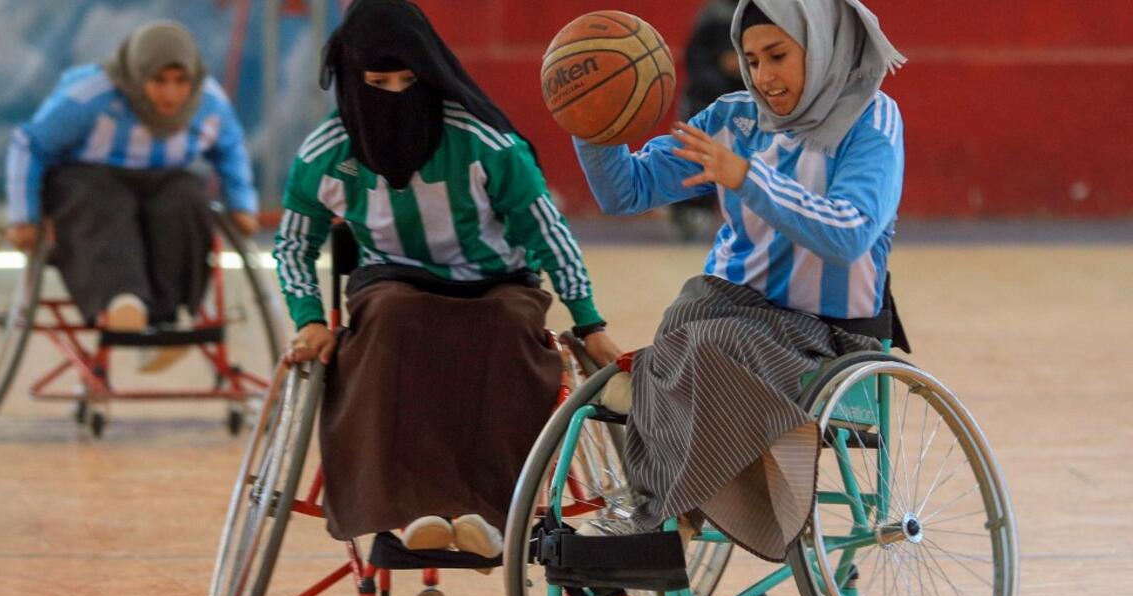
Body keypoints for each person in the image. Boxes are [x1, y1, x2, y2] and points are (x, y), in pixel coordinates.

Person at [276, 0, 622, 559]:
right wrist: (309, 319)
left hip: (497, 281)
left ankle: (496, 514)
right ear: (351, 81)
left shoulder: (486, 143)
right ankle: (409, 514)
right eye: (377, 83)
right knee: (393, 316)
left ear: (429, 72)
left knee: (508, 324)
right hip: (391, 282)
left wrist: (590, 323)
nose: (394, 95)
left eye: (408, 80)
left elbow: (548, 232)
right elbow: (293, 245)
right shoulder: (326, 154)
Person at [573, 0, 906, 562]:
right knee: (688, 313)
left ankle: (662, 517)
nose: (763, 76)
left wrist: (747, 177)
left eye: (777, 56)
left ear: (820, 45)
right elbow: (627, 190)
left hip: (826, 334)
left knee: (706, 345)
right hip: (728, 309)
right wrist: (591, 126)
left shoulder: (871, 120)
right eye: (751, 61)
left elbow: (849, 232)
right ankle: (658, 511)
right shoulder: (733, 118)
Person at [4, 21, 259, 372]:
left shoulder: (210, 101)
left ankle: (167, 318)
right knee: (103, 201)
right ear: (138, 76)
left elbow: (230, 147)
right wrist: (24, 216)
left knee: (187, 197)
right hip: (89, 175)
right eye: (159, 81)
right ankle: (122, 302)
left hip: (164, 179)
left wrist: (241, 204)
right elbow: (29, 143)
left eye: (180, 81)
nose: (171, 95)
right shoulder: (91, 95)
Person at [669, 0, 746, 242]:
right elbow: (695, 58)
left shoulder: (769, 11)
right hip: (708, 98)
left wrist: (746, 64)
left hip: (748, 101)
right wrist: (722, 66)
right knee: (695, 151)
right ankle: (690, 210)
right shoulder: (713, 14)